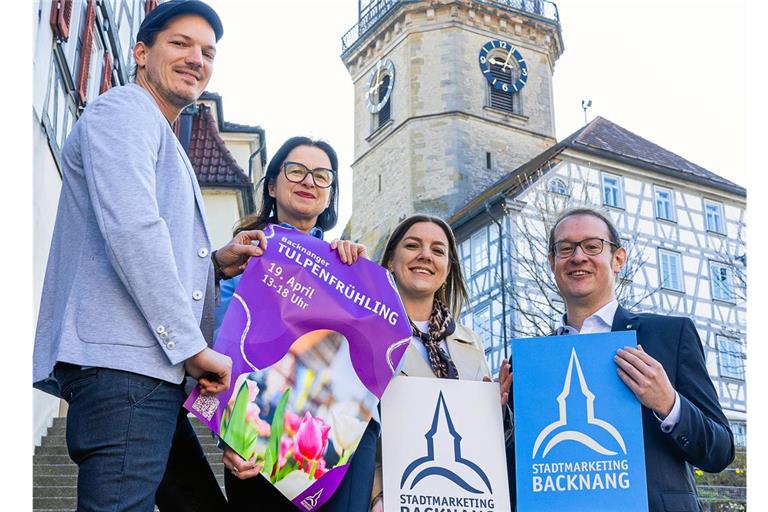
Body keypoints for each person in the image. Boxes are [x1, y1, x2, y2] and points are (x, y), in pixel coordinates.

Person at [31, 2, 265, 510]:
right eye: (180, 44)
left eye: (207, 52)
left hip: (148, 374)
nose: (196, 59)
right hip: (129, 370)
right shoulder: (123, 110)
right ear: (141, 53)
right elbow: (134, 231)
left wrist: (216, 262)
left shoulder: (158, 128)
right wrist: (192, 348)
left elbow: (145, 235)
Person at [213, 136, 372, 511]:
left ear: (330, 195)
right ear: (272, 185)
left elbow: (363, 355)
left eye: (321, 176)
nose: (309, 182)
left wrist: (362, 277)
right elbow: (223, 347)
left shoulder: (346, 265)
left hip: (328, 449)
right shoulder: (243, 254)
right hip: (254, 439)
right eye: (296, 171)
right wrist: (229, 436)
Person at [546, 207, 735, 511]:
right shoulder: (532, 363)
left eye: (593, 246)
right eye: (565, 248)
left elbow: (720, 451)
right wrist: (502, 421)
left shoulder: (670, 335)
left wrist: (669, 404)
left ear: (618, 259)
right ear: (552, 263)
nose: (578, 257)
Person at [368, 214, 513, 511]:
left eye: (438, 250)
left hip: (463, 499)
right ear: (390, 261)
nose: (425, 256)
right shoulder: (366, 330)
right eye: (412, 245)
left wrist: (497, 412)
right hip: (396, 497)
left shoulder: (470, 343)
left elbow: (482, 443)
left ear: (447, 269)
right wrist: (376, 494)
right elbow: (351, 431)